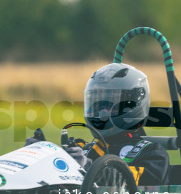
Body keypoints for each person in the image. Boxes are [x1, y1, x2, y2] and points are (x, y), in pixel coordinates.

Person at [27, 63, 170, 186]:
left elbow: (129, 182)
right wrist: (42, 155)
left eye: (110, 106)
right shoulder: (83, 148)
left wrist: (88, 168)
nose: (102, 113)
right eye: (98, 105)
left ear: (131, 106)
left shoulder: (153, 154)